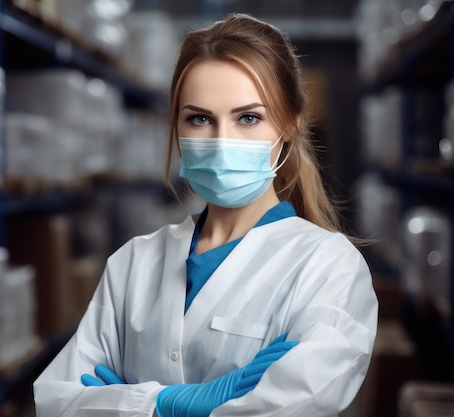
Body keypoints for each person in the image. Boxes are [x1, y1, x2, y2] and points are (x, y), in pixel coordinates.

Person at [33, 12, 378, 417]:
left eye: (248, 118)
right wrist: (182, 402)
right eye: (199, 118)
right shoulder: (134, 262)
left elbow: (299, 403)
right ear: (176, 127)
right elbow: (59, 402)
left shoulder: (327, 267)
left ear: (288, 126)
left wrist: (125, 402)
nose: (221, 141)